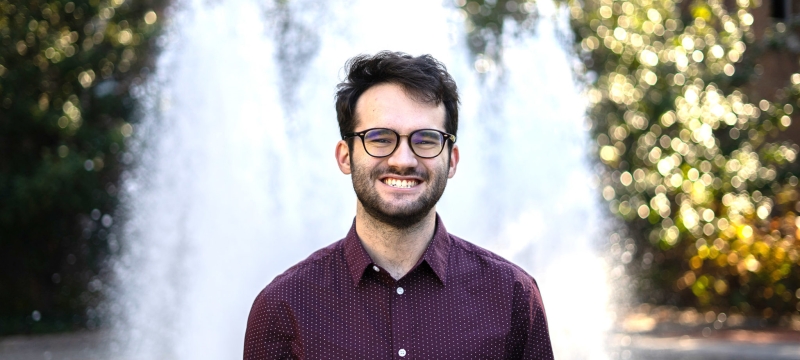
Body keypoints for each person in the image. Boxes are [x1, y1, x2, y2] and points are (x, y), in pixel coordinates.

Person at [244, 51, 553, 359]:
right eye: (379, 138)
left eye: (426, 139)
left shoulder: (511, 296)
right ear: (345, 156)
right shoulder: (285, 307)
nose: (403, 160)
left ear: (452, 160)